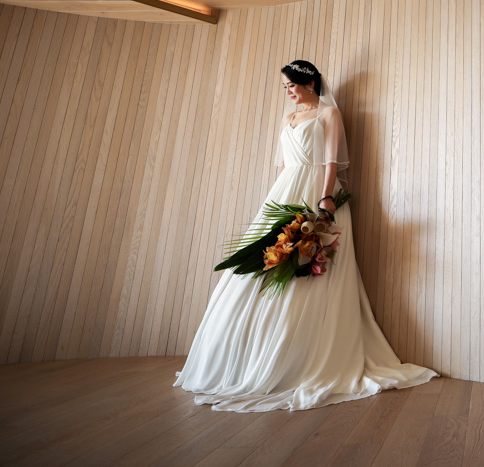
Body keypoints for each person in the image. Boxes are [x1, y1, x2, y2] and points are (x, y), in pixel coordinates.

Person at [175, 60, 437, 412]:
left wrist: (325, 197)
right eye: (284, 87)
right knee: (264, 264)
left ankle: (301, 354)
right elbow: (285, 165)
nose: (288, 92)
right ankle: (241, 359)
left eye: (292, 85)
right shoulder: (288, 118)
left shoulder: (329, 114)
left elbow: (331, 161)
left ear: (310, 82)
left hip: (317, 190)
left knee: (312, 269)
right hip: (287, 190)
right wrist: (273, 203)